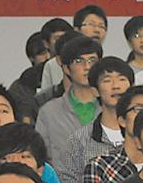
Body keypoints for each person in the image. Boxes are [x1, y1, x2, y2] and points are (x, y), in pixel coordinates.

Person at [59, 56, 135, 183]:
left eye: (122, 79)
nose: (116, 86)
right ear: (95, 91)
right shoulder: (79, 141)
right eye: (107, 80)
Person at [35, 35, 103, 171]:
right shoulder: (49, 112)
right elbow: (40, 157)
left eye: (92, 61)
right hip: (62, 182)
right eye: (79, 61)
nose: (87, 67)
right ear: (66, 69)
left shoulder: (113, 108)